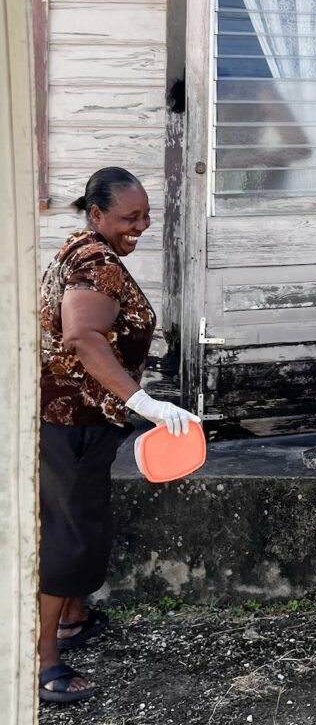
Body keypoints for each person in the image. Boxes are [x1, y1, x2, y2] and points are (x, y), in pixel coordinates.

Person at [38, 166, 200, 704]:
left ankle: (74, 617)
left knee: (76, 522)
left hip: (70, 417)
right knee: (70, 535)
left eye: (147, 216)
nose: (142, 226)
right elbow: (83, 337)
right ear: (97, 214)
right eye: (131, 217)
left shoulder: (82, 248)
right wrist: (142, 402)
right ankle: (44, 664)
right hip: (71, 423)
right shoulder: (95, 260)